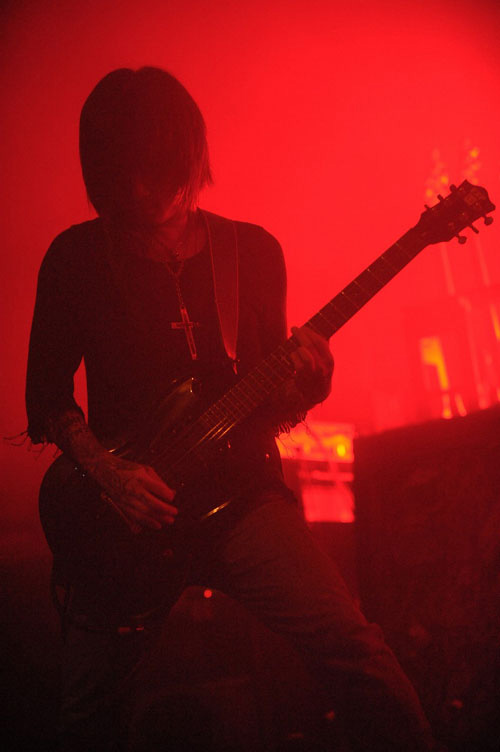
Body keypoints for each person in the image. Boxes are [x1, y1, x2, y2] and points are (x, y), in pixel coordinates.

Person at [26, 66, 436, 751]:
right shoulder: (75, 258)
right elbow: (45, 397)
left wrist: (308, 389)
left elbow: (269, 406)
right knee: (87, 713)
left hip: (241, 501)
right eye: (124, 174)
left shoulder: (251, 251)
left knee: (352, 646)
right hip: (123, 515)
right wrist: (110, 475)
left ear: (189, 155)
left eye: (157, 170)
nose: (141, 190)